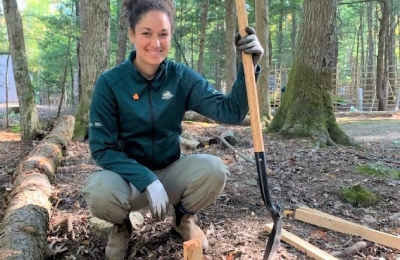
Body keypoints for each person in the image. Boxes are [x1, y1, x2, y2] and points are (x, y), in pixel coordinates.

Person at [82, 0, 264, 259]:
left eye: (163, 34)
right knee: (99, 191)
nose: (155, 43)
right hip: (128, 180)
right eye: (146, 33)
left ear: (170, 35)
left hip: (170, 171)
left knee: (214, 169)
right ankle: (121, 227)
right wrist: (147, 180)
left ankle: (182, 219)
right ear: (132, 34)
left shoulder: (180, 77)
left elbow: (231, 112)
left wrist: (248, 66)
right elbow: (102, 149)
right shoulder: (110, 83)